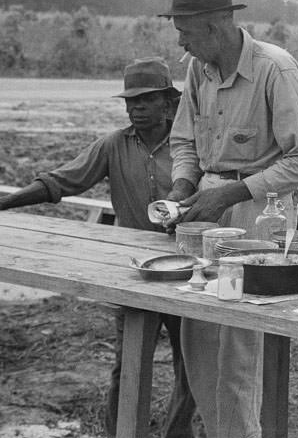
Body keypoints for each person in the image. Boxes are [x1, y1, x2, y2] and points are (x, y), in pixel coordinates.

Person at [157, 0, 298, 438]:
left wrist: (230, 193)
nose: (182, 45)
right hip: (206, 208)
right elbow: (184, 139)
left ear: (213, 26)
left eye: (185, 33)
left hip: (259, 214)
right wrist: (182, 186)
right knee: (200, 342)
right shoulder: (198, 70)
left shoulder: (275, 68)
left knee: (239, 350)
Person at [0, 58, 195, 438]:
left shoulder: (190, 148)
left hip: (187, 270)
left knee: (190, 364)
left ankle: (179, 432)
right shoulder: (112, 146)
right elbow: (61, 182)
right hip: (137, 272)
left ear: (168, 103)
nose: (135, 108)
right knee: (128, 365)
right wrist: (4, 203)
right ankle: (120, 432)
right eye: (130, 102)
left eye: (145, 100)